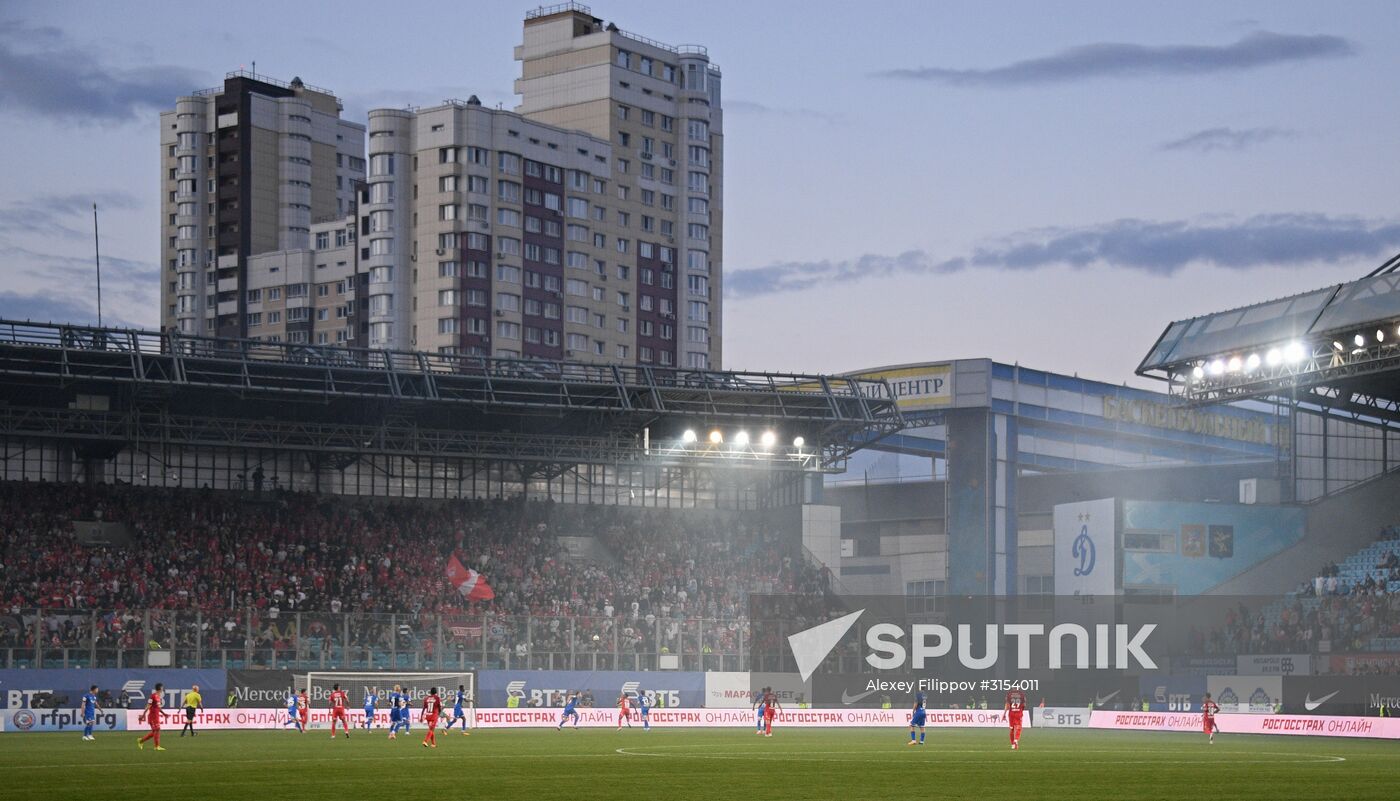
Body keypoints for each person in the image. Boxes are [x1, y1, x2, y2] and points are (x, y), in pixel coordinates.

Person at [137, 682, 166, 751]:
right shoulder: (153, 696)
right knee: (157, 729)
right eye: (162, 687)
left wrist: (164, 714)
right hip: (152, 717)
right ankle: (156, 746)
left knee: (154, 732)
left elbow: (158, 708)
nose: (163, 689)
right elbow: (148, 705)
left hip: (156, 716)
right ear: (160, 688)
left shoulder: (158, 697)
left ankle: (141, 741)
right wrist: (143, 715)